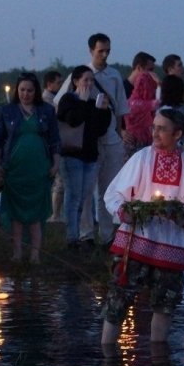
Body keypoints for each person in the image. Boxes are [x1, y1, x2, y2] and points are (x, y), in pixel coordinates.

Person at [100, 107, 184, 353]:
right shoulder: (142, 158)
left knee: (164, 305)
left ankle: (159, 365)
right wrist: (123, 211)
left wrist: (182, 215)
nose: (155, 133)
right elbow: (112, 194)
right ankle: (106, 358)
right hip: (134, 243)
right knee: (117, 301)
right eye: (154, 127)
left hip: (171, 249)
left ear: (178, 133)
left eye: (162, 129)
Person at [54, 33, 130, 246]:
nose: (104, 55)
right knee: (86, 191)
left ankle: (107, 234)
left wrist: (120, 132)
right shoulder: (78, 75)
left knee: (109, 188)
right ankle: (85, 233)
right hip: (86, 141)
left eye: (107, 50)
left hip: (110, 138)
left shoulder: (114, 76)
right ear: (91, 51)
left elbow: (121, 109)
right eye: (100, 51)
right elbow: (60, 104)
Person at [0, 72, 60, 263]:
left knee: (36, 213)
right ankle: (17, 253)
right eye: (22, 90)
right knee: (16, 213)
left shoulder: (46, 110)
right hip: (14, 169)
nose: (25, 94)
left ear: (36, 91)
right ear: (17, 90)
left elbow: (55, 140)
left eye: (30, 90)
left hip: (39, 168)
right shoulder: (7, 110)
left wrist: (56, 164)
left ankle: (35, 254)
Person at [56, 66, 111, 248]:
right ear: (76, 81)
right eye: (85, 80)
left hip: (90, 155)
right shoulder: (68, 99)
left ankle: (80, 235)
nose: (89, 84)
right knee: (73, 197)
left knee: (85, 196)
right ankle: (72, 237)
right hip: (72, 155)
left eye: (91, 80)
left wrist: (104, 111)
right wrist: (82, 102)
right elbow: (72, 120)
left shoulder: (92, 102)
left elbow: (100, 130)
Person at [43, 70, 65, 223]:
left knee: (58, 181)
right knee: (59, 181)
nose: (61, 85)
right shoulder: (48, 101)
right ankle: (55, 215)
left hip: (53, 145)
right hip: (52, 146)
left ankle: (55, 214)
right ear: (49, 84)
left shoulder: (53, 99)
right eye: (58, 82)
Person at [123, 69, 159, 158]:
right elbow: (160, 105)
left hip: (128, 143)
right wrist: (159, 84)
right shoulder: (151, 104)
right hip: (143, 143)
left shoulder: (128, 102)